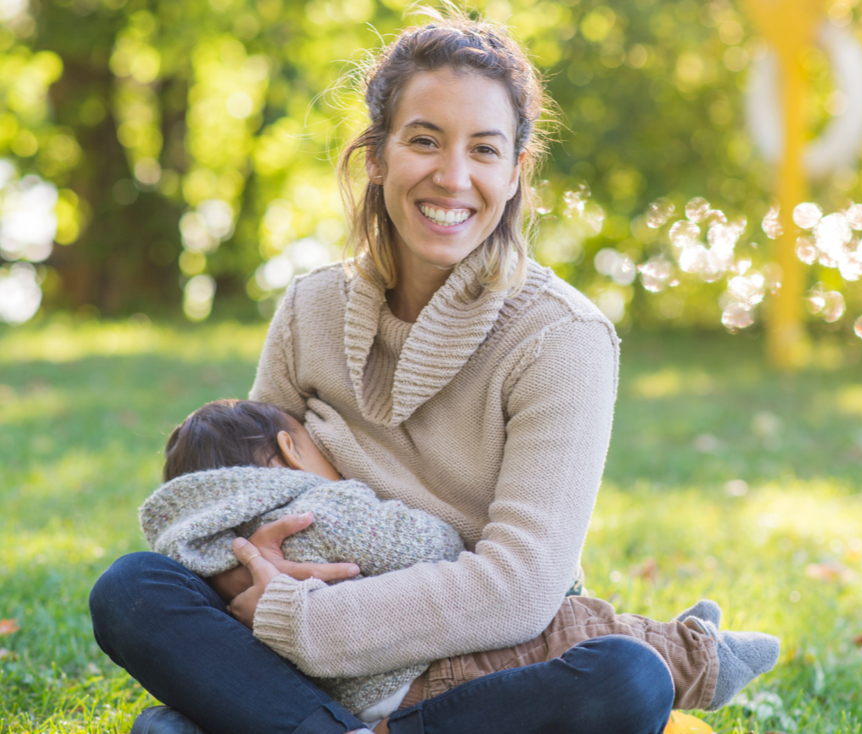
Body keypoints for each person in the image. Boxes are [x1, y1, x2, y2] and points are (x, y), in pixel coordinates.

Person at [90, 11, 779, 734]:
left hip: (474, 666)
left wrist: (308, 619)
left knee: (628, 679)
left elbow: (520, 588)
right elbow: (248, 484)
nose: (453, 177)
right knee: (133, 590)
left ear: (515, 174)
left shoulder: (561, 338)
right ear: (379, 156)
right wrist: (247, 563)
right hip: (306, 653)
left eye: (484, 150)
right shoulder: (310, 307)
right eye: (424, 140)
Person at [137, 399, 779, 728]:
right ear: (290, 447)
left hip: (339, 697)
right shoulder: (322, 507)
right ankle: (698, 655)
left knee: (616, 669)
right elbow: (421, 549)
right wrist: (451, 538)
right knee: (587, 641)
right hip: (428, 672)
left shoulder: (207, 549)